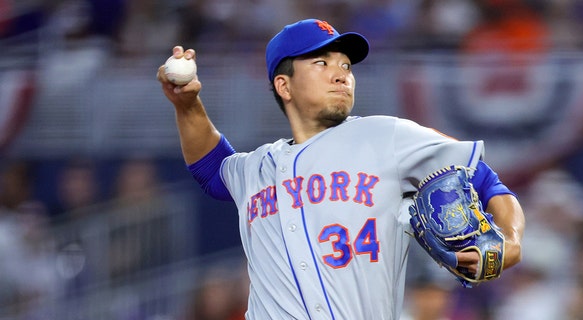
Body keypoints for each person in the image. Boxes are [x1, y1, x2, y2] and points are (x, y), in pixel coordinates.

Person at [157, 18, 525, 320]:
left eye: (345, 65)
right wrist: (187, 106)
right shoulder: (256, 168)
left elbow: (486, 180)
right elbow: (210, 169)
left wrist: (511, 242)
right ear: (284, 85)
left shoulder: (386, 135)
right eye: (322, 63)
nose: (341, 74)